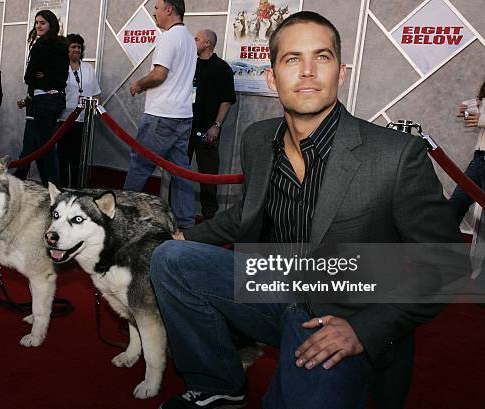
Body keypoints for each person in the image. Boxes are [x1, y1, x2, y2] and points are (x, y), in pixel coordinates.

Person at [150, 11, 462, 409]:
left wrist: (363, 330)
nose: (309, 72)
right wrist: (183, 237)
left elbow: (445, 264)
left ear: (342, 73)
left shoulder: (395, 156)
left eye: (323, 57)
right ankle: (219, 382)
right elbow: (247, 213)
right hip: (271, 285)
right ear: (272, 77)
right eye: (293, 59)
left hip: (339, 315)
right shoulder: (259, 139)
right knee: (170, 258)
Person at [124, 0, 197, 230]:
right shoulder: (189, 39)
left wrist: (138, 84)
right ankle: (186, 223)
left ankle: (119, 214)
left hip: (161, 115)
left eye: (156, 8)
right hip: (183, 115)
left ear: (169, 9)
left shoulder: (168, 37)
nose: (153, 12)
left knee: (140, 165)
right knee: (180, 172)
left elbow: (159, 75)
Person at [189, 29, 236, 219]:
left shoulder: (222, 68)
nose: (194, 41)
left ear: (207, 43)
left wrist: (216, 125)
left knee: (208, 176)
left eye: (197, 38)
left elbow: (227, 100)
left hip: (207, 130)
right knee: (179, 172)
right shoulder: (189, 64)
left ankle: (210, 218)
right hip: (184, 127)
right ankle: (178, 214)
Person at [20, 10, 68, 187]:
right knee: (40, 146)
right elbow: (58, 77)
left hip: (44, 101)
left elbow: (28, 76)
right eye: (37, 22)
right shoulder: (61, 45)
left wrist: (40, 77)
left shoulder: (42, 45)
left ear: (51, 24)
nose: (38, 26)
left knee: (45, 148)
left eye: (42, 23)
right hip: (51, 101)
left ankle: (53, 187)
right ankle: (48, 185)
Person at [57, 33, 101, 188]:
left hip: (83, 121)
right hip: (63, 119)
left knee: (78, 159)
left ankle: (77, 189)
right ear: (66, 49)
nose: (76, 49)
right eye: (73, 46)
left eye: (79, 47)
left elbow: (96, 93)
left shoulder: (88, 68)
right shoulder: (60, 67)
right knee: (62, 158)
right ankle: (62, 188)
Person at [448, 80, 485, 224]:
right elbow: (478, 114)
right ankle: (440, 244)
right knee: (455, 206)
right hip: (479, 159)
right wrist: (469, 110)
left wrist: (481, 119)